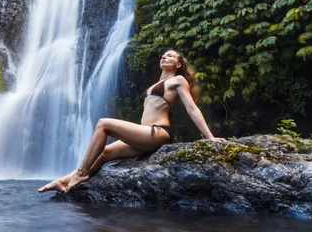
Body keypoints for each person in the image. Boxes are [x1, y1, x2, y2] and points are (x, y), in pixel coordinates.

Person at [38, 49, 226, 193]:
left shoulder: (178, 80)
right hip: (143, 135)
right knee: (103, 153)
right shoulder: (155, 84)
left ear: (178, 64)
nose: (164, 57)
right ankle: (63, 181)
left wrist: (209, 137)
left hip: (157, 133)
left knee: (104, 124)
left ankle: (80, 173)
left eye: (169, 56)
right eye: (163, 55)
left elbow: (191, 108)